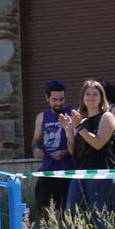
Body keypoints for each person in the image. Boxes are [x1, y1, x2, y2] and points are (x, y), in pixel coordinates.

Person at [62, 80, 115, 227]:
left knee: (99, 215)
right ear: (82, 98)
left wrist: (79, 127)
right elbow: (73, 151)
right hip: (80, 173)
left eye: (95, 94)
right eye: (87, 94)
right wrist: (69, 130)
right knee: (72, 212)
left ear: (102, 98)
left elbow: (98, 143)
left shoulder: (107, 117)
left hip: (100, 173)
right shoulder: (82, 122)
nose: (91, 97)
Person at [31, 80, 73, 216]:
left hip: (67, 170)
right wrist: (36, 149)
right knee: (43, 202)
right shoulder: (42, 117)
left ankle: (62, 224)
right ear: (47, 98)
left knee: (65, 207)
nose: (58, 103)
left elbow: (79, 145)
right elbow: (35, 141)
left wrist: (65, 153)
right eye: (54, 100)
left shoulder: (72, 114)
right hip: (47, 170)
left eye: (61, 99)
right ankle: (55, 221)